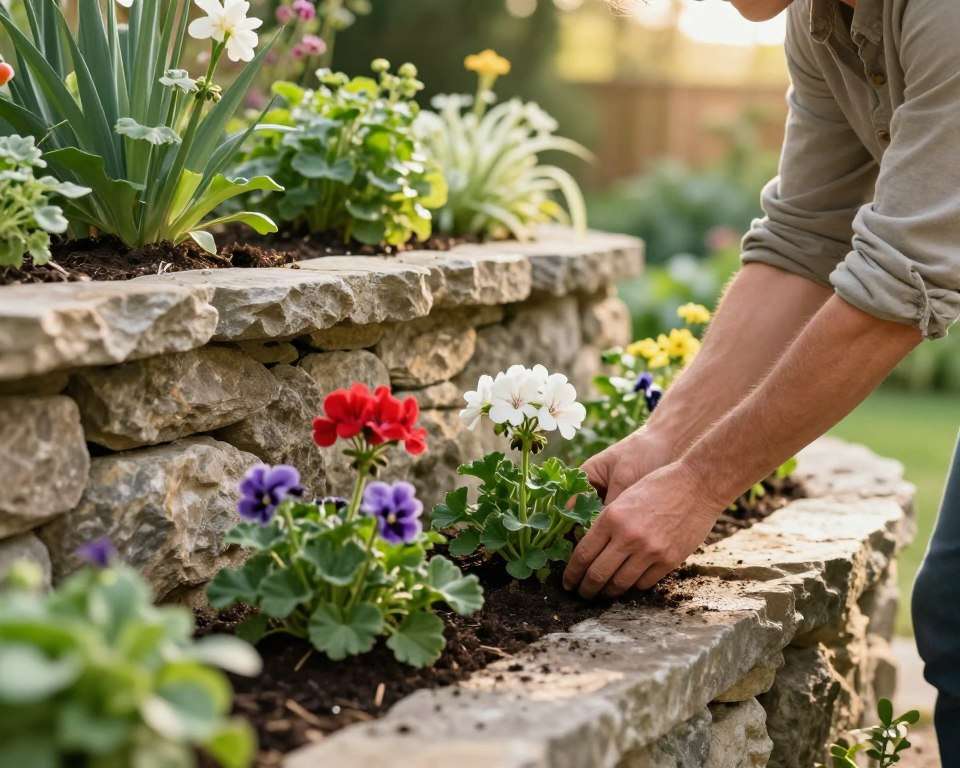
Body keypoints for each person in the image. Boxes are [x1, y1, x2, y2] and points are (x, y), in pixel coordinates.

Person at [565, 0, 960, 759]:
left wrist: (700, 485)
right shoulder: (823, 21)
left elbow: (900, 284)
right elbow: (806, 241)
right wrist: (666, 440)